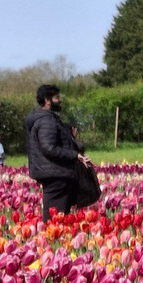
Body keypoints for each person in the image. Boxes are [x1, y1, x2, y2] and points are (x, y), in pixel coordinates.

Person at [25, 84, 90, 219]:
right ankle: (50, 240)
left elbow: (53, 139)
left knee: (59, 218)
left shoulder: (47, 119)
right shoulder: (46, 120)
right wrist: (74, 155)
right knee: (55, 220)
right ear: (47, 100)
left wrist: (69, 135)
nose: (59, 100)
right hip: (55, 174)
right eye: (57, 97)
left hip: (54, 172)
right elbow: (49, 147)